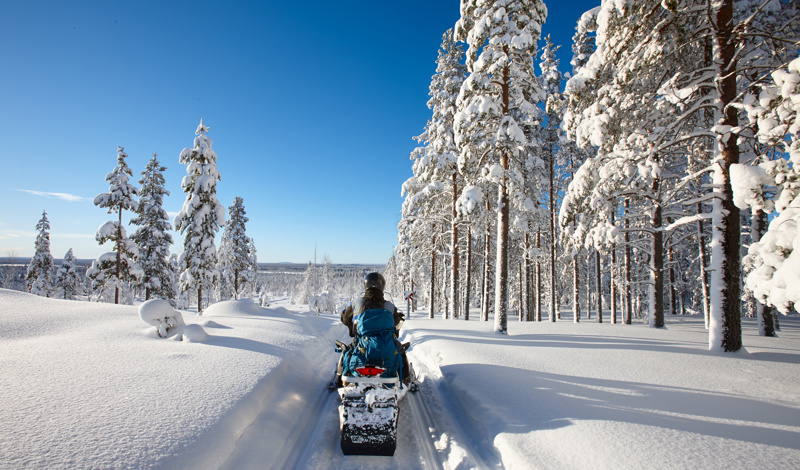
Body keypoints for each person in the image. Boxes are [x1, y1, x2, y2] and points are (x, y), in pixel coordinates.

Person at [336, 272, 410, 386]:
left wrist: (351, 321)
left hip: (362, 343)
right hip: (386, 343)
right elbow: (396, 322)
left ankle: (339, 378)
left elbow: (345, 318)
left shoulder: (357, 303)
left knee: (347, 351)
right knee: (401, 351)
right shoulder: (389, 306)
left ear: (366, 285)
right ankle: (405, 379)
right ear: (382, 286)